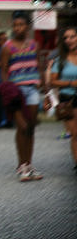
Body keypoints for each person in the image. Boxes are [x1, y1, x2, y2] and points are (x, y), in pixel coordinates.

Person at [0, 11, 45, 182]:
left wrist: (46, 90)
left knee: (31, 127)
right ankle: (22, 165)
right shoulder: (7, 47)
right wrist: (8, 91)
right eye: (15, 25)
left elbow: (40, 67)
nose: (17, 28)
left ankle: (29, 164)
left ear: (28, 26)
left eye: (21, 25)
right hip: (16, 92)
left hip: (33, 89)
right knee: (23, 127)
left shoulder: (34, 45)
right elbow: (4, 71)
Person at [50, 26, 77, 176]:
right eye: (66, 38)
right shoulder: (60, 59)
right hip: (68, 98)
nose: (69, 40)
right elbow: (53, 81)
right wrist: (71, 84)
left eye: (72, 36)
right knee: (75, 133)